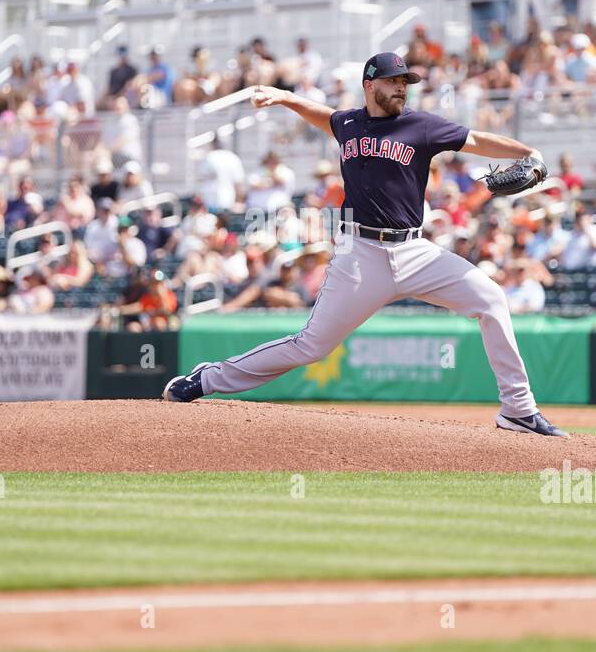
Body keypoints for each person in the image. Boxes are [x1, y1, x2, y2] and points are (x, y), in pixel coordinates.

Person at [162, 51, 570, 437]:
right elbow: (322, 116)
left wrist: (528, 152)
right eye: (393, 81)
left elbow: (477, 140)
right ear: (369, 85)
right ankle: (207, 378)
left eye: (405, 82)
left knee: (492, 299)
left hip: (415, 252)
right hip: (361, 255)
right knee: (311, 345)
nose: (401, 88)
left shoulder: (421, 126)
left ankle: (518, 409)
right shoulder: (349, 124)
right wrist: (287, 97)